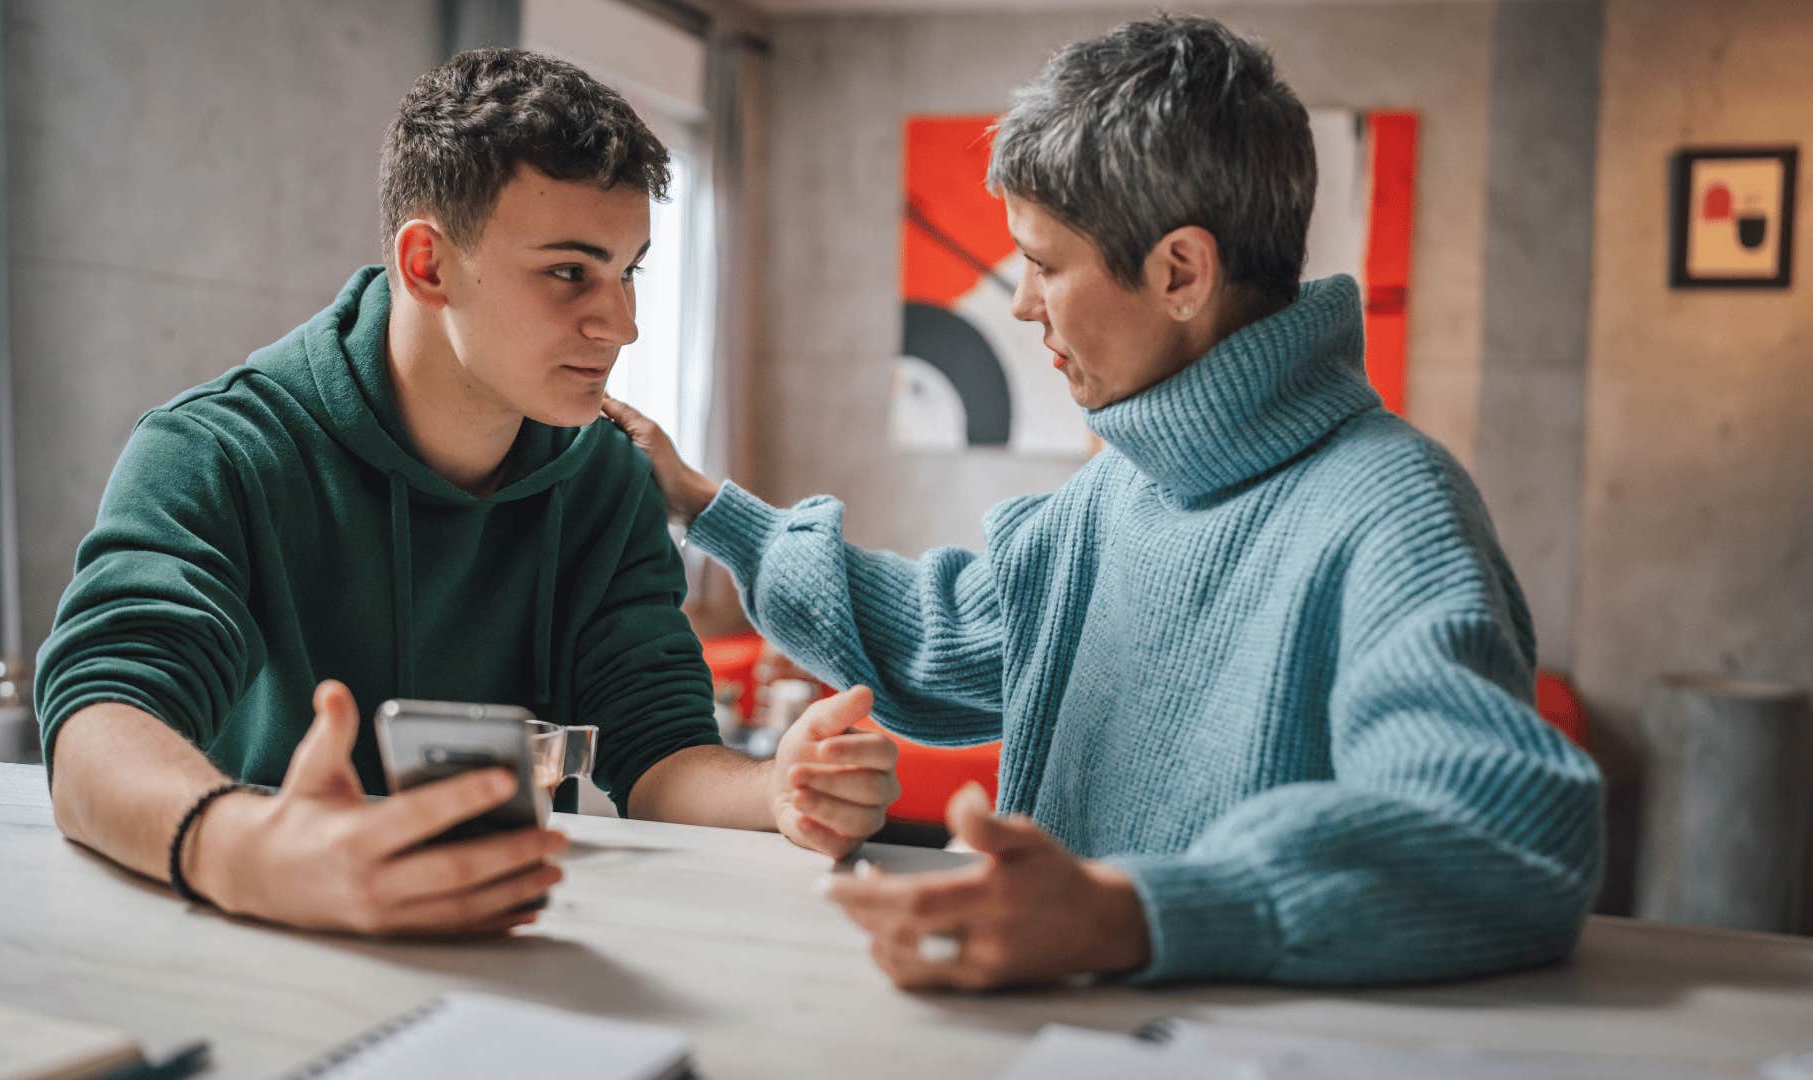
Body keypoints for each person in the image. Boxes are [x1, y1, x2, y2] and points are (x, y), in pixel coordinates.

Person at [605, 14, 1603, 990]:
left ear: (1180, 271)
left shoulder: (1394, 512)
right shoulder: (1116, 491)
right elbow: (934, 638)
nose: (1022, 304)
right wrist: (704, 502)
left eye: (1042, 263)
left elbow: (1497, 838)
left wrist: (1130, 913)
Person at [34, 48, 899, 938]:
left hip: (511, 955)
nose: (623, 324)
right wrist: (247, 849)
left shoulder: (606, 475)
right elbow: (100, 721)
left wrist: (780, 789)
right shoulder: (213, 449)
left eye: (629, 270)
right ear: (429, 265)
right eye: (571, 271)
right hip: (247, 936)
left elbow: (661, 753)